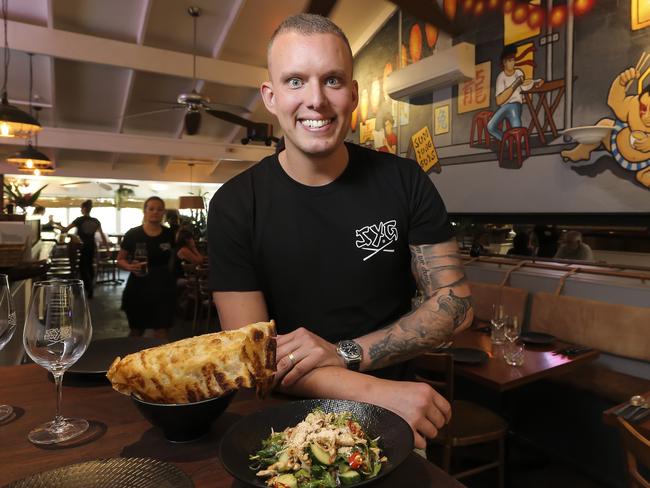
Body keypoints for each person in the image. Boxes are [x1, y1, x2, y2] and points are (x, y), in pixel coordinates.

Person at [208, 14, 473, 448]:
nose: (316, 100)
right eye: (295, 81)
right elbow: (254, 357)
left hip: (395, 424)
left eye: (332, 80)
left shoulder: (405, 180)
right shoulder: (236, 204)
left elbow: (456, 305)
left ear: (352, 93)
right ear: (270, 97)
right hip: (288, 426)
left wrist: (346, 351)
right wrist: (375, 391)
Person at [117, 196, 176, 339]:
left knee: (162, 332)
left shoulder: (170, 234)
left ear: (163, 213)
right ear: (145, 211)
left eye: (159, 209)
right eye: (151, 209)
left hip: (163, 287)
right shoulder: (133, 234)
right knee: (136, 331)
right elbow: (120, 259)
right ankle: (132, 361)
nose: (155, 212)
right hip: (138, 287)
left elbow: (175, 259)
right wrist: (130, 267)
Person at [487, 45, 542, 142]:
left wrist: (537, 81)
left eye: (513, 60)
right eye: (509, 61)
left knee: (517, 130)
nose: (512, 63)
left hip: (515, 105)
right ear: (504, 62)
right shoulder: (501, 77)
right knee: (490, 127)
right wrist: (515, 84)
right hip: (504, 107)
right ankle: (507, 141)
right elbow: (499, 100)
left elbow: (525, 85)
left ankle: (516, 144)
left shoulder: (518, 72)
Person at [58, 200, 108, 299]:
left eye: (81, 208)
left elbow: (65, 230)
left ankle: (88, 287)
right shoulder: (96, 221)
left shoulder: (79, 220)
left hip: (81, 246)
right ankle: (90, 288)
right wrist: (107, 248)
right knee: (90, 266)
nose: (81, 210)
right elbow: (102, 235)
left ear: (84, 209)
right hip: (92, 246)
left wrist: (56, 225)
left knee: (82, 267)